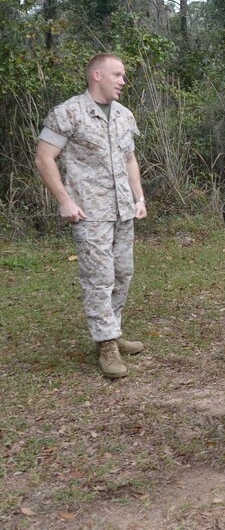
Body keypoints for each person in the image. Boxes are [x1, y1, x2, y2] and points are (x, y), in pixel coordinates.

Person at [35, 53, 147, 379]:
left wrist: (139, 197)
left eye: (123, 75)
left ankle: (113, 329)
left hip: (123, 209)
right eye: (117, 75)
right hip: (90, 212)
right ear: (96, 75)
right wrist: (64, 200)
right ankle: (106, 346)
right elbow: (44, 158)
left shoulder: (124, 115)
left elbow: (130, 161)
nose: (123, 81)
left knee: (124, 272)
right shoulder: (68, 113)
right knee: (99, 279)